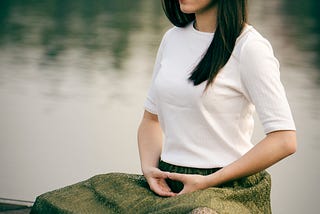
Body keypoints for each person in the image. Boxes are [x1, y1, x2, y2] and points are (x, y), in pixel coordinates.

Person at [31, 0, 296, 213]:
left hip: (228, 189)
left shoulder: (250, 47)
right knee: (54, 204)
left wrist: (208, 181)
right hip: (170, 181)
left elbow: (284, 140)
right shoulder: (172, 38)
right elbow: (150, 120)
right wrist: (149, 169)